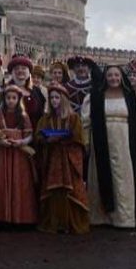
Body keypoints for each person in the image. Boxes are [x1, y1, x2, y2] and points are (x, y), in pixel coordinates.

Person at [88, 65, 136, 228]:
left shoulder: (132, 97)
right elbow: (86, 123)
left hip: (125, 143)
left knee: (124, 179)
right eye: (110, 75)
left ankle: (125, 218)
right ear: (105, 78)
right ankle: (104, 217)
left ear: (121, 77)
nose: (113, 78)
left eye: (116, 75)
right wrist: (86, 143)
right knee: (104, 175)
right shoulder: (96, 97)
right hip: (102, 143)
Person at [35, 84, 89, 234]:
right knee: (53, 189)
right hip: (52, 159)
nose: (54, 100)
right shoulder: (45, 119)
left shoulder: (73, 118)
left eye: (57, 97)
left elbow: (79, 139)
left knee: (70, 189)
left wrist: (63, 139)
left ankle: (70, 223)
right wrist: (47, 140)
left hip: (68, 160)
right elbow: (38, 136)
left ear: (63, 99)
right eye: (51, 98)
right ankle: (55, 223)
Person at [0, 85, 38, 226]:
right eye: (8, 98)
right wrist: (1, 141)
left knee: (20, 183)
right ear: (4, 99)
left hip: (19, 155)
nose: (11, 100)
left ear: (18, 100)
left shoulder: (23, 116)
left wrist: (21, 142)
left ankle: (21, 217)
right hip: (3, 154)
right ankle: (2, 217)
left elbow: (30, 135)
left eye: (14, 98)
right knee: (2, 182)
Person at [6, 54, 47, 127]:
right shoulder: (5, 90)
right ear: (12, 72)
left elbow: (41, 113)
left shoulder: (36, 91)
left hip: (34, 130)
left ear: (28, 71)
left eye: (23, 68)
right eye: (17, 68)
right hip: (11, 131)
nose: (20, 70)